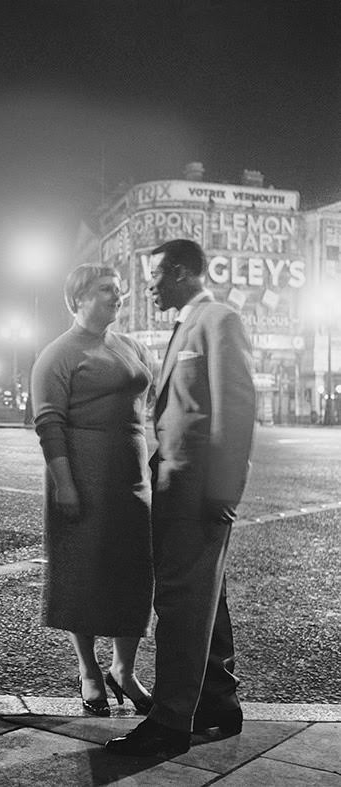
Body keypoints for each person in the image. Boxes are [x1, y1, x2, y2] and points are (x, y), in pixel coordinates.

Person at [106, 238, 255, 757]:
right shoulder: (184, 325)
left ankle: (169, 723)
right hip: (177, 487)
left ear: (182, 273)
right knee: (205, 603)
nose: (149, 285)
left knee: (180, 605)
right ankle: (217, 704)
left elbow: (235, 410)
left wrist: (222, 494)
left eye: (155, 275)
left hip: (198, 493)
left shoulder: (219, 320)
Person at [31, 264, 155, 718]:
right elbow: (48, 422)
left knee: (133, 572)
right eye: (106, 290)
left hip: (131, 477)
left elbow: (152, 405)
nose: (117, 297)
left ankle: (124, 669)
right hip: (81, 476)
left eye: (119, 291)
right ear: (77, 298)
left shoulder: (131, 346)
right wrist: (65, 483)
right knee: (81, 572)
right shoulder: (57, 353)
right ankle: (88, 671)